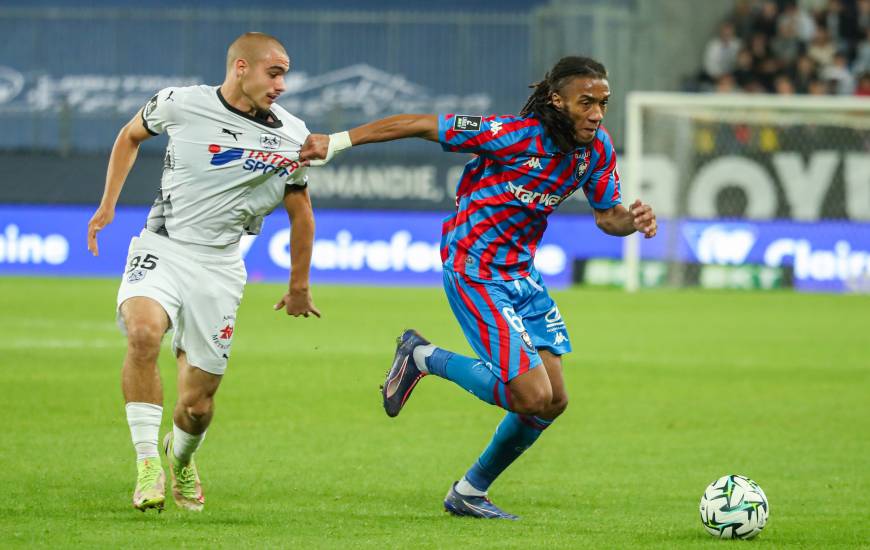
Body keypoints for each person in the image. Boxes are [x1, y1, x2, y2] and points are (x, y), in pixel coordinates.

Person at [300, 56, 657, 519]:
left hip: (522, 274)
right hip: (474, 268)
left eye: (603, 103)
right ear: (557, 99)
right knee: (531, 395)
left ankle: (469, 492)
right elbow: (419, 124)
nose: (596, 113)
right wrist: (338, 140)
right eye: (586, 102)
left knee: (554, 402)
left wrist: (632, 221)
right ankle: (421, 356)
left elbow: (609, 217)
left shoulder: (596, 150)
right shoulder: (513, 135)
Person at [86, 32, 320, 512]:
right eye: (274, 73)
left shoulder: (294, 134)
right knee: (143, 334)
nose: (282, 84)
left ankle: (183, 459)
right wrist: (107, 205)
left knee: (196, 406)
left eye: (285, 75)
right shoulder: (179, 103)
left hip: (219, 266)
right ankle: (147, 463)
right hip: (162, 247)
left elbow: (301, 211)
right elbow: (130, 135)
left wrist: (298, 285)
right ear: (240, 68)